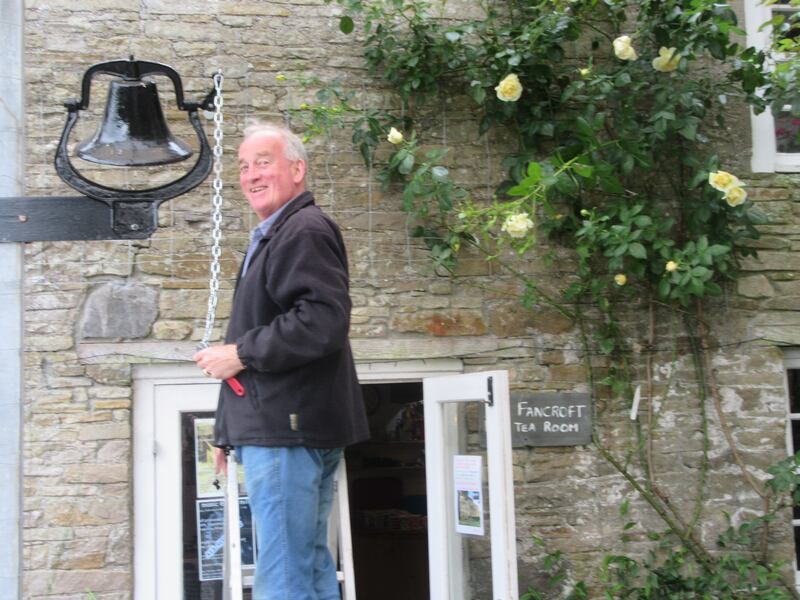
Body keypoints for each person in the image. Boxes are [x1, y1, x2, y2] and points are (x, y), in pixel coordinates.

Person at [193, 121, 369, 600]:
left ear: (297, 169)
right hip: (283, 427)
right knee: (307, 567)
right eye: (244, 166)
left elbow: (322, 320)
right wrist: (227, 434)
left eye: (263, 162)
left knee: (284, 576)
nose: (250, 175)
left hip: (285, 432)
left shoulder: (303, 228)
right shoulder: (277, 233)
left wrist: (240, 352)